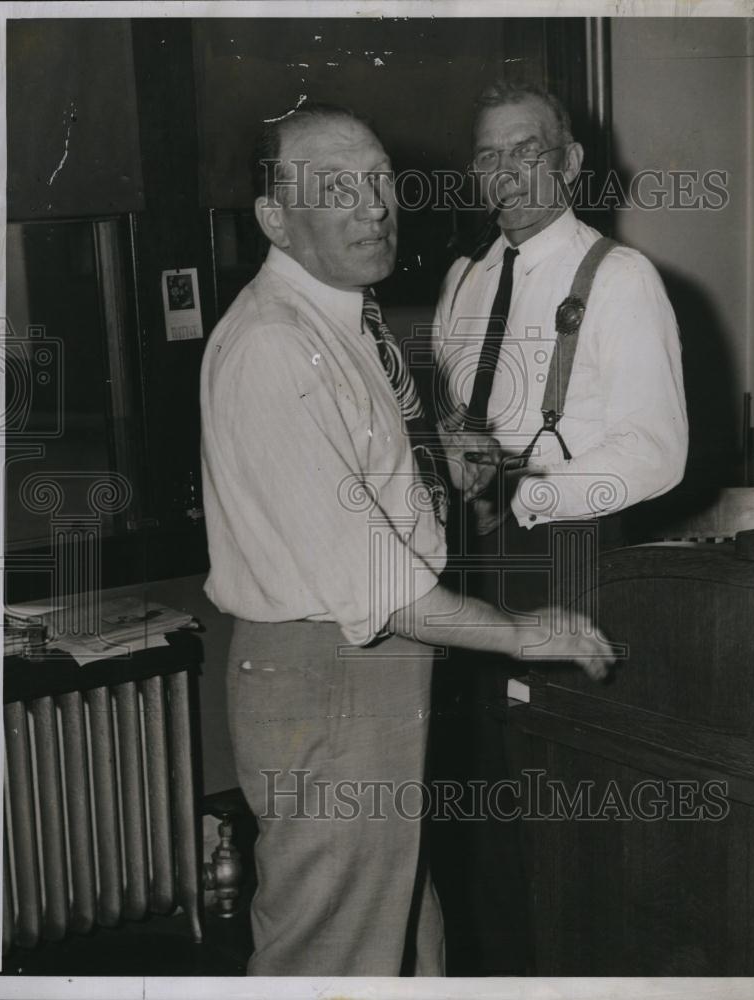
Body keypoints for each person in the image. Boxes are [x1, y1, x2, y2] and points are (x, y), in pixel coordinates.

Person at [200, 101, 615, 977]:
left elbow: (357, 472)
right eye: (336, 189)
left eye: (380, 182)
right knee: (333, 953)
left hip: (372, 674)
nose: (374, 206)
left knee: (398, 936)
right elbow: (379, 582)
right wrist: (523, 634)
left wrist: (436, 462)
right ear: (274, 216)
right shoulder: (275, 346)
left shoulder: (343, 318)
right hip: (331, 676)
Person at [431, 81, 689, 974]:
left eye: (525, 150)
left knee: (558, 798)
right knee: (475, 794)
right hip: (469, 565)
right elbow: (462, 417)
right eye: (487, 154)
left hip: (571, 558)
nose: (503, 173)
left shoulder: (620, 279)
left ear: (571, 163)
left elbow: (657, 453)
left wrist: (532, 492)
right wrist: (456, 449)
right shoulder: (462, 280)